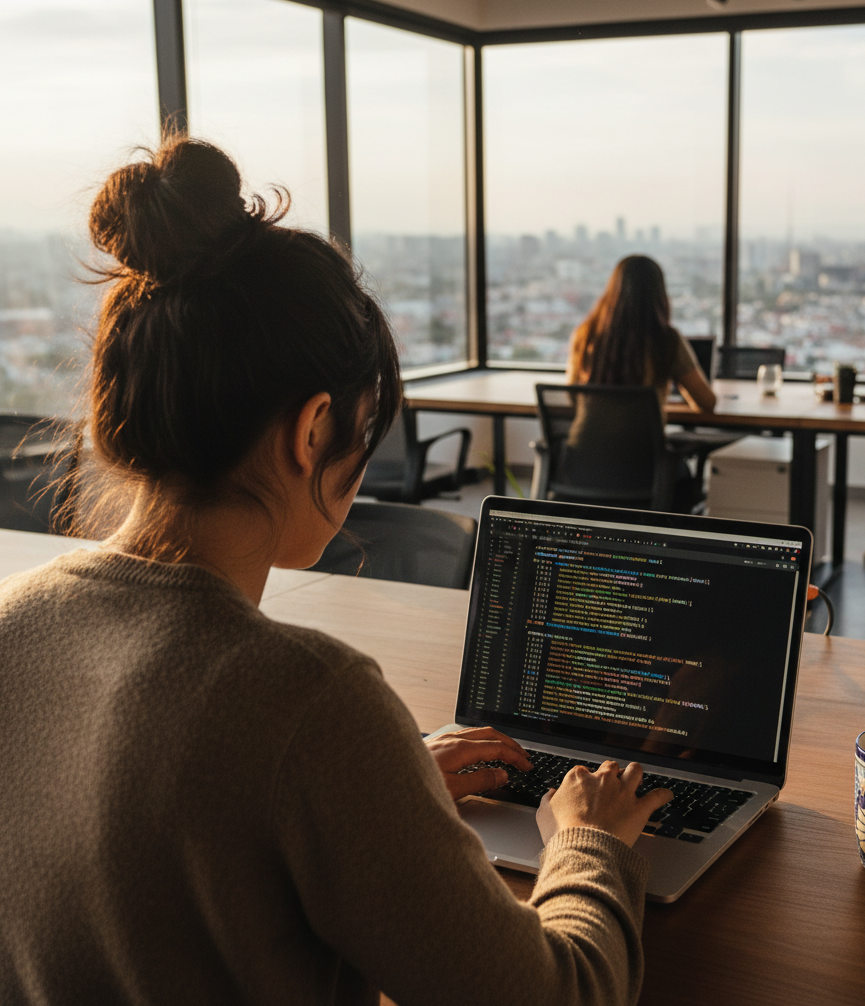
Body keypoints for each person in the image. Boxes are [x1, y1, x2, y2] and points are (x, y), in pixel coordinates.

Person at [0, 137, 672, 1005]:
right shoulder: (312, 701)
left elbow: (160, 842)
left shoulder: (15, 622)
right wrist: (594, 842)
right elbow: (560, 994)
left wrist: (374, 801)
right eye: (365, 429)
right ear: (313, 429)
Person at [567, 254, 717, 414]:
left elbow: (573, 395)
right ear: (659, 293)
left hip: (586, 438)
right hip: (642, 439)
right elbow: (707, 403)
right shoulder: (666, 339)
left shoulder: (585, 334)